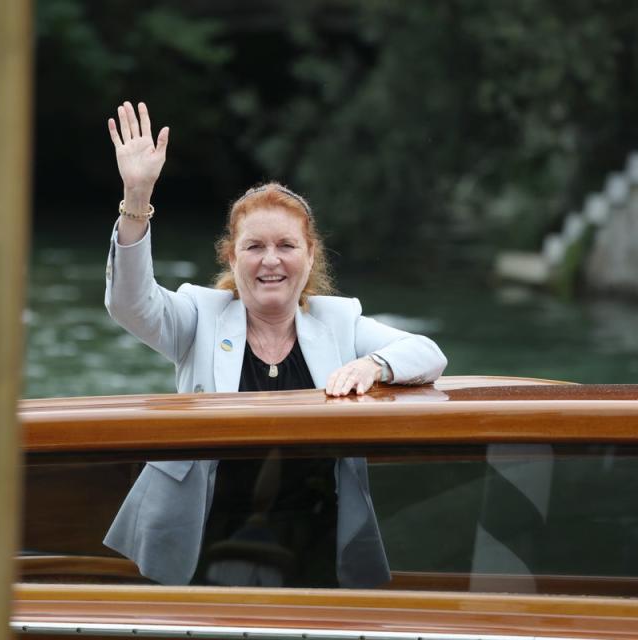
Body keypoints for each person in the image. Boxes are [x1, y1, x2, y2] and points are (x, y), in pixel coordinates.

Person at [101, 101, 447, 588]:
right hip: (200, 538)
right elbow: (129, 304)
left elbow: (429, 353)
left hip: (315, 539)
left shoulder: (339, 320)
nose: (271, 261)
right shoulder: (198, 314)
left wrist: (374, 365)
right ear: (232, 256)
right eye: (255, 247)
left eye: (286, 246)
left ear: (309, 257)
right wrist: (136, 199)